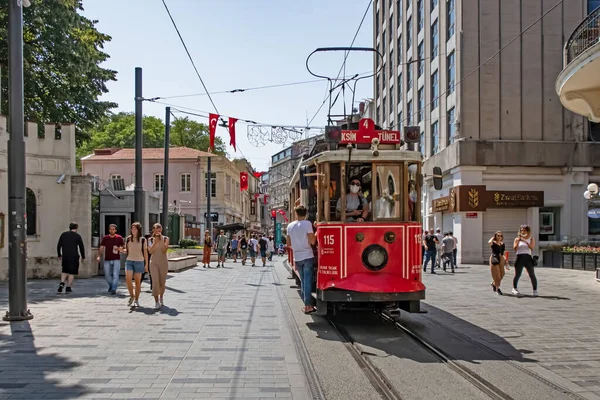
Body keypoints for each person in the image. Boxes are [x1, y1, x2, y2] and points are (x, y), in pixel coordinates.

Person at [287, 204, 317, 314]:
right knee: (307, 281)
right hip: (307, 255)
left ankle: (307, 304)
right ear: (305, 214)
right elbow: (312, 241)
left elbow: (289, 243)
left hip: (297, 257)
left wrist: (297, 246)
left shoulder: (290, 226)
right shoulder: (307, 224)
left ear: (296, 214)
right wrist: (317, 232)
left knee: (303, 281)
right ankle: (308, 305)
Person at [121, 222, 148, 307]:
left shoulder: (143, 240)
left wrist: (146, 264)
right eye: (132, 228)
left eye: (135, 229)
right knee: (128, 278)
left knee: (137, 282)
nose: (133, 230)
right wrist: (121, 250)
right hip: (129, 260)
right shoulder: (128, 239)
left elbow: (145, 252)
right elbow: (127, 250)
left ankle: (136, 299)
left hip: (139, 261)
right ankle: (132, 296)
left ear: (138, 230)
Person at [56, 222, 85, 293]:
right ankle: (68, 287)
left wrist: (59, 254)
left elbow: (59, 245)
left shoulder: (64, 235)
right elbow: (81, 247)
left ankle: (62, 282)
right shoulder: (77, 236)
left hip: (65, 255)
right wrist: (83, 256)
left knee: (64, 270)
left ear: (69, 227)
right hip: (74, 256)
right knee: (72, 272)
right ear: (76, 228)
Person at [97, 224, 124, 294]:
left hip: (116, 259)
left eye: (113, 229)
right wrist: (99, 256)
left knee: (115, 274)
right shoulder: (106, 238)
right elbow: (101, 247)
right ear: (109, 230)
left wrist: (119, 249)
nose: (112, 230)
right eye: (110, 229)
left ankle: (113, 289)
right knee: (107, 275)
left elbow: (124, 248)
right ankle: (112, 286)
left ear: (116, 230)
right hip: (107, 259)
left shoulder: (119, 238)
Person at [148, 223, 169, 310]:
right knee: (155, 282)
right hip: (153, 262)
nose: (158, 230)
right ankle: (156, 301)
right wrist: (155, 242)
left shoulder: (165, 238)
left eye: (160, 229)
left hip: (163, 262)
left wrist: (160, 240)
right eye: (156, 229)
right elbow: (150, 251)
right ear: (153, 230)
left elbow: (164, 250)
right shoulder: (150, 239)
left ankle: (161, 297)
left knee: (162, 282)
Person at [512, 225, 538, 296]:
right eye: (521, 230)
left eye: (524, 230)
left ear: (528, 231)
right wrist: (518, 241)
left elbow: (532, 247)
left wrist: (525, 241)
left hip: (528, 257)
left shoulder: (531, 239)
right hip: (519, 257)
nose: (523, 232)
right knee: (518, 274)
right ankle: (514, 288)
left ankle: (535, 290)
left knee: (532, 274)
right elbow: (515, 248)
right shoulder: (517, 239)